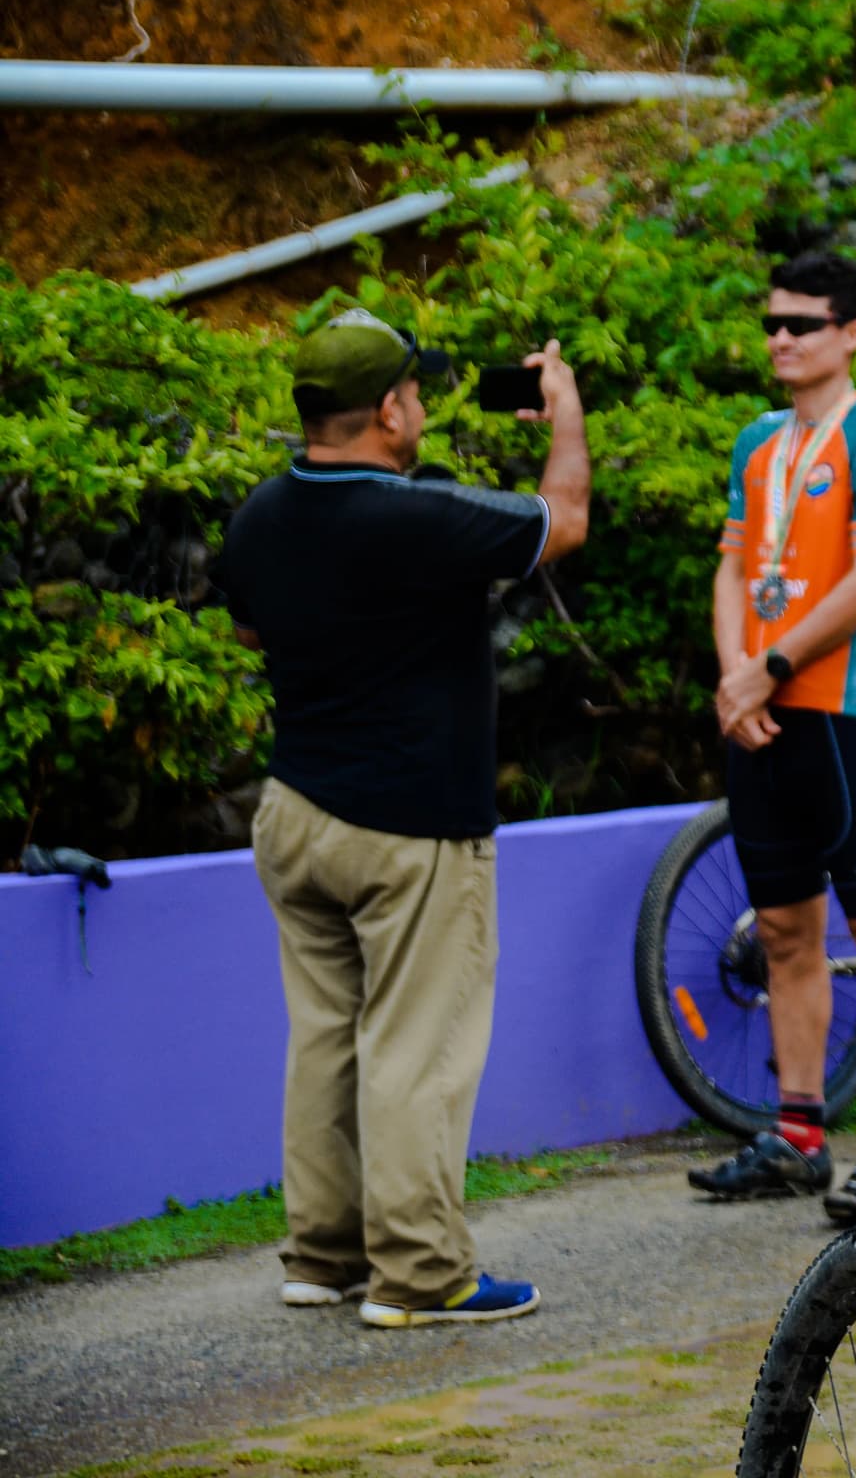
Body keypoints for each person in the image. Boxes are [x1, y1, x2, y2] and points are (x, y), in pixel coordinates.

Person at [218, 309, 588, 1328]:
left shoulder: (258, 515)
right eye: (415, 395)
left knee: (324, 1037)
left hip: (296, 811)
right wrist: (564, 418)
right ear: (388, 409)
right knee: (416, 1046)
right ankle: (421, 1273)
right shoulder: (415, 516)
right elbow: (564, 520)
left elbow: (250, 621)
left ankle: (323, 1255)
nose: (421, 410)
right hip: (412, 826)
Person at [686, 251, 856, 1222]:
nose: (781, 338)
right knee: (785, 930)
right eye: (772, 323)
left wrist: (770, 666)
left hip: (842, 714)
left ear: (852, 333)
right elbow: (732, 568)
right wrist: (733, 678)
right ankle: (798, 1136)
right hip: (758, 716)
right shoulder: (757, 440)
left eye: (803, 323)